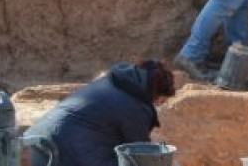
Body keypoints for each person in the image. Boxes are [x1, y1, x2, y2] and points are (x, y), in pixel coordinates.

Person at [22, 59, 175, 166]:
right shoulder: (135, 108)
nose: (159, 105)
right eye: (161, 100)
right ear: (155, 94)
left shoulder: (110, 83)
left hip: (34, 142)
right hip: (62, 152)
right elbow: (143, 155)